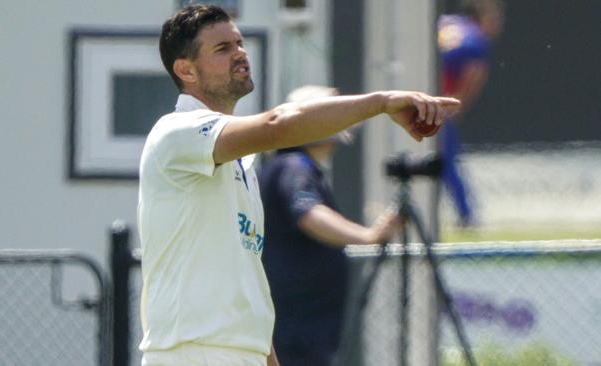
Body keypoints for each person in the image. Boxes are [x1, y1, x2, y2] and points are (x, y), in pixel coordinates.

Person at [137, 4, 461, 366]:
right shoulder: (176, 132)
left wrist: (267, 357)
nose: (240, 52)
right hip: (191, 355)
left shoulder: (243, 163)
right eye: (222, 48)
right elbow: (279, 124)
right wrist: (382, 103)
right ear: (186, 70)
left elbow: (246, 285)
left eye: (239, 42)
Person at [259, 85, 402, 366]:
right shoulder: (293, 167)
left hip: (306, 326)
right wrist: (368, 236)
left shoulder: (292, 166)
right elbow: (309, 214)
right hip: (297, 329)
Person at [438, 0, 504, 227]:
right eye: (493, 17)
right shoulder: (476, 39)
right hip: (438, 104)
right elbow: (472, 76)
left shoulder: (445, 24)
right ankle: (466, 216)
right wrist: (455, 107)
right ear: (481, 17)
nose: (497, 23)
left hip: (413, 97)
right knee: (447, 159)